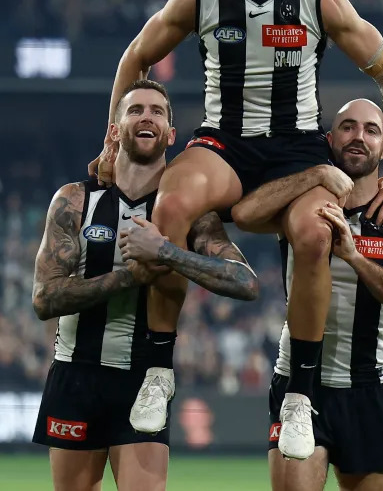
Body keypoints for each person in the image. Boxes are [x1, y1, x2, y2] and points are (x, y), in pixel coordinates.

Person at [90, 0, 383, 459]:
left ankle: (301, 395)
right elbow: (135, 56)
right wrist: (112, 142)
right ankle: (159, 370)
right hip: (226, 144)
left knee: (319, 231)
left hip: (298, 148)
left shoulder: (319, 0)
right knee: (172, 202)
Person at [32, 79, 258, 491]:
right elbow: (45, 299)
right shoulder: (75, 201)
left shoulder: (187, 213)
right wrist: (128, 277)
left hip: (144, 380)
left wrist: (167, 252)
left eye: (157, 111)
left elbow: (246, 282)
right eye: (135, 110)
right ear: (115, 130)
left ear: (171, 134)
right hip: (75, 374)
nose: (146, 116)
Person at [232, 99, 383, 491]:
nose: (359, 136)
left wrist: (354, 256)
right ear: (330, 139)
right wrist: (315, 176)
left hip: (370, 386)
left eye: (372, 130)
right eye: (348, 127)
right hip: (301, 385)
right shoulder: (301, 207)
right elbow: (245, 212)